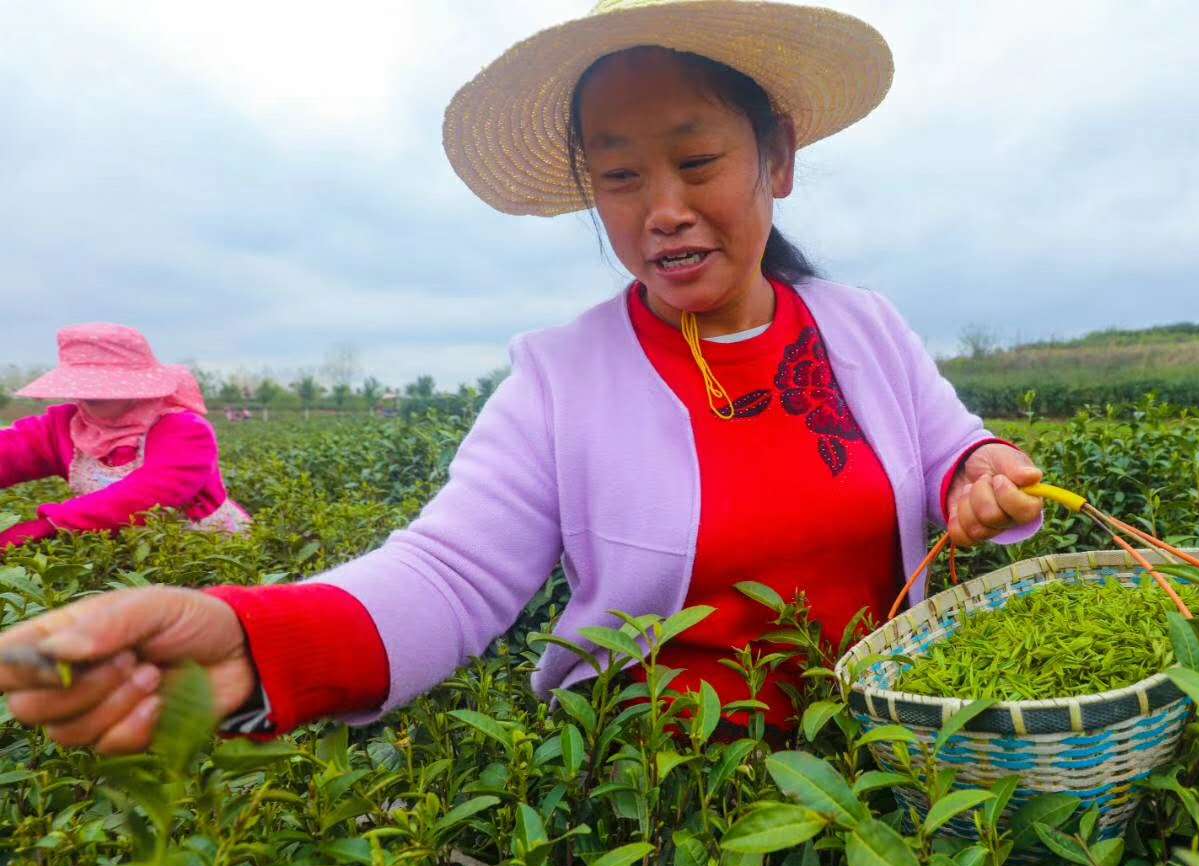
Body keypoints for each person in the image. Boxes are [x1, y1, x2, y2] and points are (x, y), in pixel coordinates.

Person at [0, 0, 1044, 755]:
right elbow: (447, 577)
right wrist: (254, 637)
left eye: (697, 161)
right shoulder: (561, 379)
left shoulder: (865, 327)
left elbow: (954, 445)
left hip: (894, 754)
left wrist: (983, 470)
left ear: (776, 160)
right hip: (657, 798)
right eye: (621, 175)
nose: (662, 208)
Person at [0, 324, 250, 550]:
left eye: (103, 384)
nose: (91, 394)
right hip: (123, 548)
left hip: (203, 549)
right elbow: (12, 451)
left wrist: (51, 525)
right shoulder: (65, 426)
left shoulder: (184, 429)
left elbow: (150, 496)